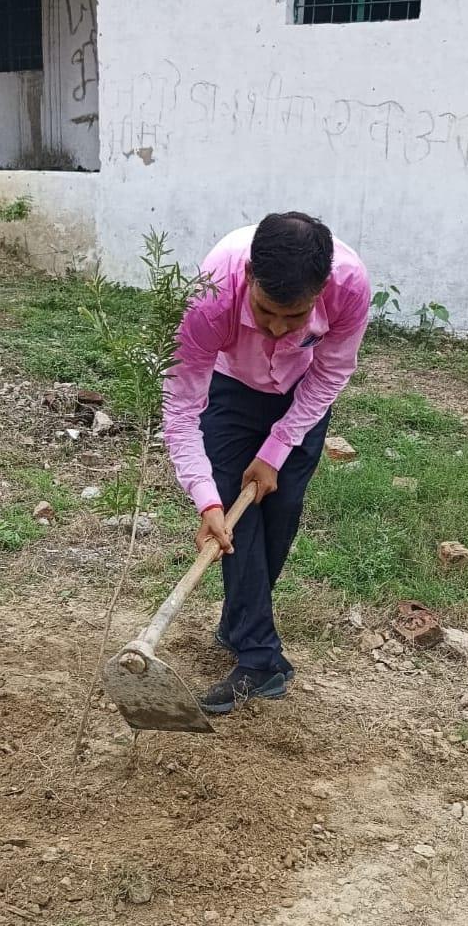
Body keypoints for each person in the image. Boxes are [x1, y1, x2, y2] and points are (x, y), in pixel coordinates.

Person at [163, 212, 370, 715]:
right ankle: (260, 660)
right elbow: (181, 407)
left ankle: (240, 624)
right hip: (232, 387)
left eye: (294, 317)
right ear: (249, 275)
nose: (277, 328)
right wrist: (207, 500)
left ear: (321, 289)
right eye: (265, 311)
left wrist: (275, 451)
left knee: (280, 512)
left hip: (303, 395)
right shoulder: (211, 295)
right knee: (237, 519)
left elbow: (331, 372)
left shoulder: (349, 286)